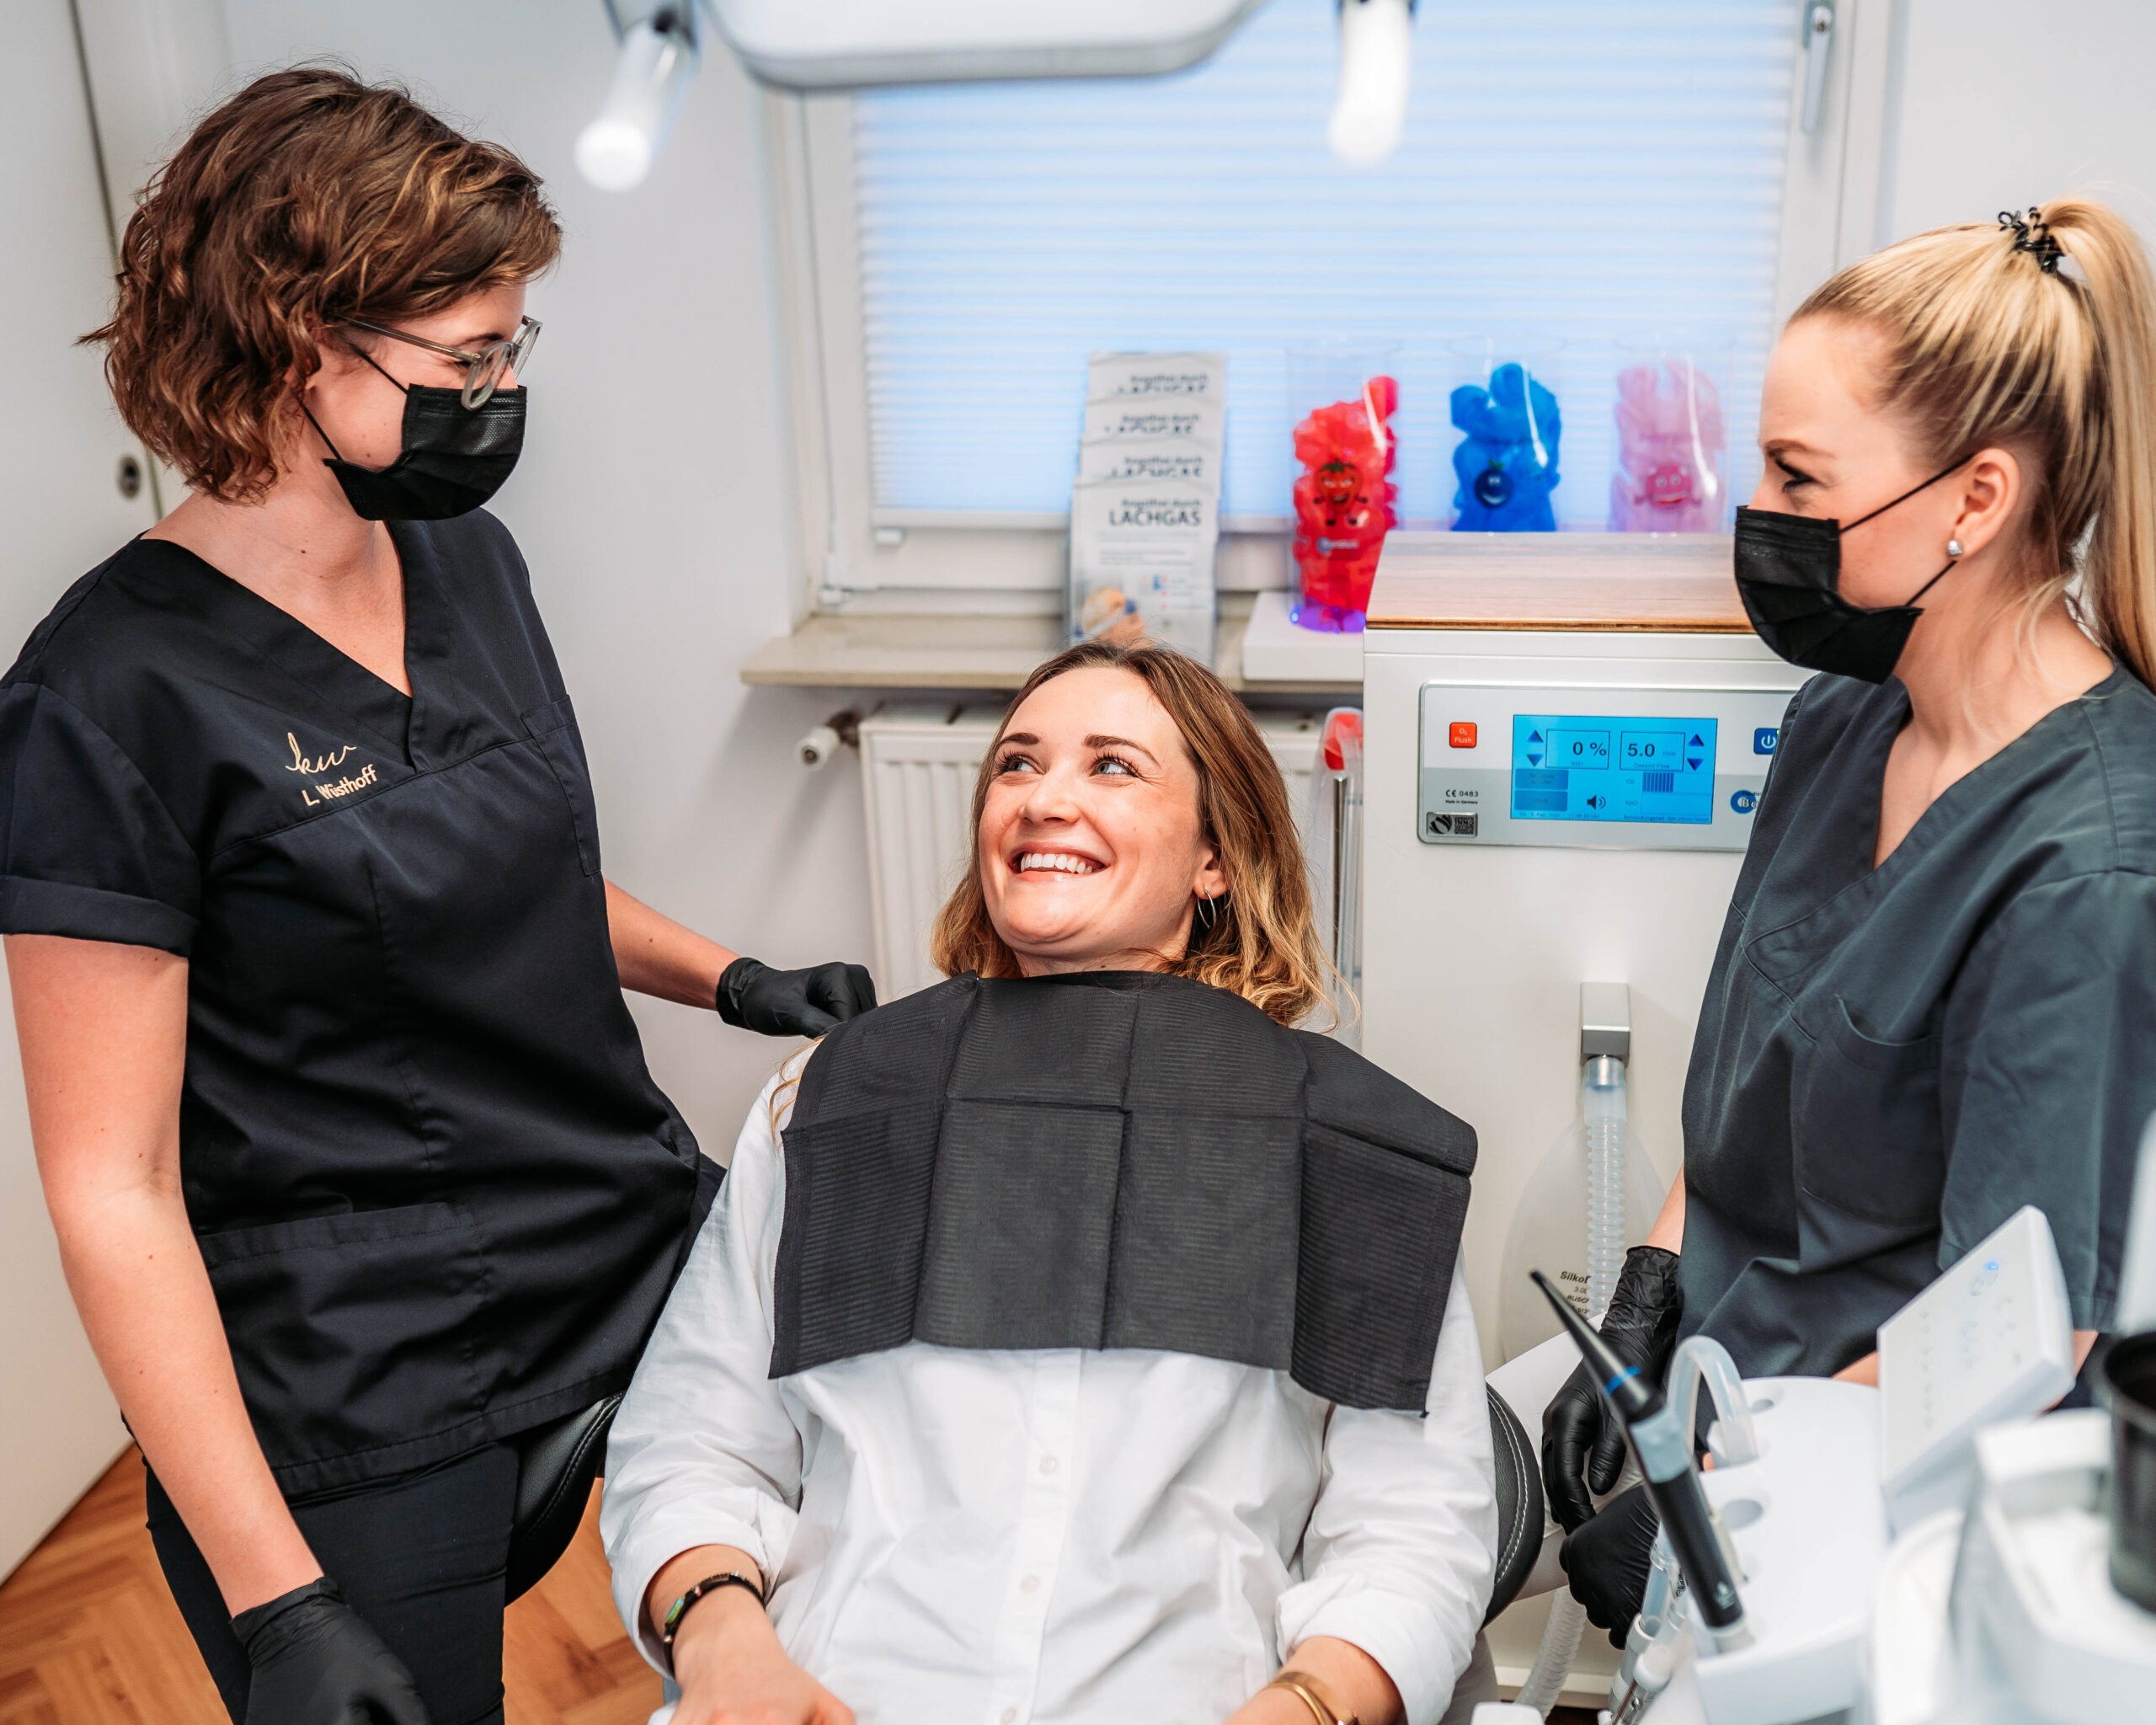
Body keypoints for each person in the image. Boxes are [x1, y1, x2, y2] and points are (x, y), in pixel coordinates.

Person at [2, 68, 873, 1725]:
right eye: (467, 361)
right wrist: (278, 1606)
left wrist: (732, 975)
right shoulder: (104, 700)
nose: (501, 392)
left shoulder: (463, 559)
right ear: (297, 344)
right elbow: (111, 1187)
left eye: (510, 348)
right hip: (365, 1343)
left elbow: (498, 868)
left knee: (881, 1558)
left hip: (615, 1222)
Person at [601, 641, 1499, 1725]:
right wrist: (723, 1645)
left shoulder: (1346, 1143)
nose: (1042, 799)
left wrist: (1306, 1703)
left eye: (1112, 765)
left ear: (1215, 857)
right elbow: (692, 1442)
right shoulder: (831, 1103)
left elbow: (1413, 1531)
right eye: (1016, 765)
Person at [1544, 198, 2156, 1639]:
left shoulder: (2087, 869)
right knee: (1455, 1481)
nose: (1756, 512)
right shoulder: (1845, 720)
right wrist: (1643, 1295)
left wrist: (1715, 1503)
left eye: (1797, 474)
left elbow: (2028, 1339)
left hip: (1870, 1476)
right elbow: (1742, 1109)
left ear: (1974, 500)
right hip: (1719, 1370)